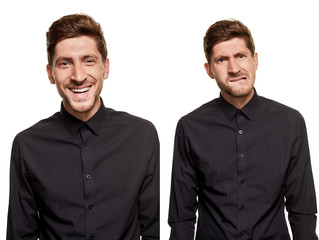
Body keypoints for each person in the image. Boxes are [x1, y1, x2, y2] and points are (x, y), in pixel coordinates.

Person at [7, 13, 159, 240]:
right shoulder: (27, 146)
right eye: (65, 63)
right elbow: (21, 234)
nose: (78, 76)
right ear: (50, 74)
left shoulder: (142, 136)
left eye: (88, 60)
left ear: (105, 68)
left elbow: (151, 230)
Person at [168, 19, 317, 239]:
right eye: (222, 59)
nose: (234, 68)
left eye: (240, 56)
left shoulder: (290, 123)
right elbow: (182, 216)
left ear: (255, 60)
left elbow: (302, 209)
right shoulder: (189, 128)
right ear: (209, 70)